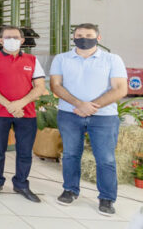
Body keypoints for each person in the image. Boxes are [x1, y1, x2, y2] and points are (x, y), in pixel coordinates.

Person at [50, 23, 128, 217]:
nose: (83, 38)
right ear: (74, 38)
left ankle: (107, 198)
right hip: (70, 114)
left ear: (98, 38)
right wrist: (78, 103)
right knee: (70, 155)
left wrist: (91, 106)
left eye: (88, 34)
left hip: (104, 117)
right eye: (79, 35)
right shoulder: (62, 59)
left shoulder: (112, 59)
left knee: (106, 159)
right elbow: (56, 85)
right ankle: (70, 190)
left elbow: (120, 89)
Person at [0, 25, 46, 202]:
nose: (12, 40)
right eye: (8, 37)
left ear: (23, 41)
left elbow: (40, 86)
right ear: (0, 40)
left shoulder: (32, 60)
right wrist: (9, 105)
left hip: (26, 113)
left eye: (16, 37)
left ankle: (21, 184)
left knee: (24, 151)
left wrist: (20, 104)